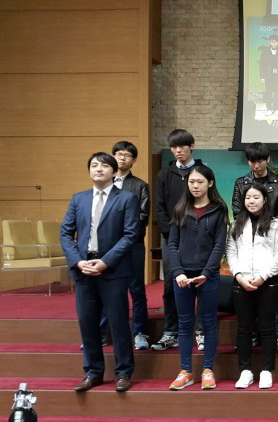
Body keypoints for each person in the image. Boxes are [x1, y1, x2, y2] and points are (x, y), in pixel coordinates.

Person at [61, 152, 139, 392]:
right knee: (87, 323)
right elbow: (66, 233)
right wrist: (77, 262)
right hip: (84, 270)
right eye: (94, 165)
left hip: (112, 270)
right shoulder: (79, 199)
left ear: (114, 172)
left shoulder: (126, 198)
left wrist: (105, 261)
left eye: (104, 165)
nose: (98, 169)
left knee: (118, 323)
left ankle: (123, 373)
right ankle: (93, 372)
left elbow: (130, 235)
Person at [167, 165, 228, 390]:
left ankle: (207, 370)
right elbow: (172, 244)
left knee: (209, 323)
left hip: (208, 275)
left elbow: (219, 245)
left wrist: (207, 272)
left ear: (210, 183)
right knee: (185, 324)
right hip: (182, 276)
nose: (195, 186)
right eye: (192, 182)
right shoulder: (180, 208)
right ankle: (186, 371)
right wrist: (178, 272)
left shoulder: (219, 209)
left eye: (200, 182)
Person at [231, 142, 278, 350]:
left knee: (277, 288)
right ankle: (253, 332)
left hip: (271, 240)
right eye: (252, 161)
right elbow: (237, 211)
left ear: (268, 160)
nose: (256, 165)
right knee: (249, 288)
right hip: (247, 242)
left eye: (260, 161)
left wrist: (267, 229)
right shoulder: (241, 182)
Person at [227, 183, 278, 389]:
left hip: (267, 282)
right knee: (244, 329)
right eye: (248, 198)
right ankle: (245, 371)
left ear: (265, 200)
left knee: (267, 327)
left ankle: (267, 371)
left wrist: (263, 276)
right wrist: (238, 275)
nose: (251, 201)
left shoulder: (276, 224)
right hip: (242, 282)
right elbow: (231, 252)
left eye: (256, 197)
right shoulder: (237, 224)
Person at [153, 129, 205, 352]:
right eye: (174, 147)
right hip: (171, 239)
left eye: (182, 146)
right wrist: (171, 234)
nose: (178, 150)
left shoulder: (202, 171)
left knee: (202, 284)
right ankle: (170, 332)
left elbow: (208, 203)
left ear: (191, 146)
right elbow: (159, 208)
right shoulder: (164, 175)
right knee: (170, 284)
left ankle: (201, 332)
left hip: (199, 238)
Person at [110, 141, 151, 351]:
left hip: (132, 245)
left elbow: (142, 217)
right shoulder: (105, 184)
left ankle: (140, 333)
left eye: (127, 155)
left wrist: (124, 235)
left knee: (136, 289)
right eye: (119, 154)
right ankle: (105, 333)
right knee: (108, 290)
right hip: (107, 247)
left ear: (134, 160)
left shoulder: (140, 186)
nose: (122, 158)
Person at [259, 34, 278, 116]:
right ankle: (269, 109)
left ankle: (277, 109)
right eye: (272, 42)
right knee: (268, 92)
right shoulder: (265, 52)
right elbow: (261, 65)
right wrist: (262, 76)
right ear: (269, 42)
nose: (273, 43)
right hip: (268, 76)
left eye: (275, 42)